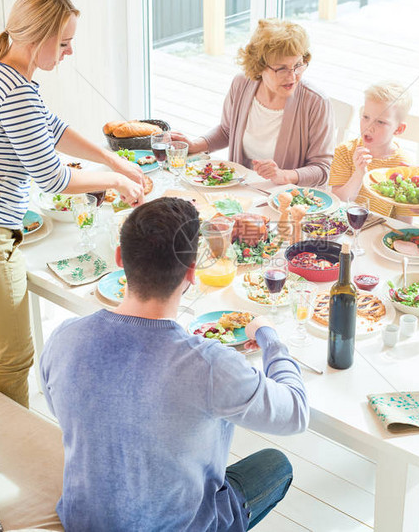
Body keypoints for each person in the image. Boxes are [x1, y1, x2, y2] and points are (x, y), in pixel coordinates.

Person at [0, 0, 145, 408]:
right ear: (39, 37)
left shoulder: (1, 72)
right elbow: (52, 178)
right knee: (13, 359)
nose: (68, 52)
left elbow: (54, 129)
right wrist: (115, 181)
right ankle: (12, 459)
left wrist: (113, 161)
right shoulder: (16, 91)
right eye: (63, 43)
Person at [40, 197, 309, 531]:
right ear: (192, 273)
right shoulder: (211, 365)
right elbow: (296, 412)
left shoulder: (64, 336)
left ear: (120, 258)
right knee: (275, 465)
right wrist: (270, 337)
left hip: (84, 521)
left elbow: (59, 406)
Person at [173, 19, 335, 187]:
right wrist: (194, 145)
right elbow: (227, 131)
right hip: (240, 189)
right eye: (281, 69)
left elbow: (322, 168)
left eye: (298, 65)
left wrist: (285, 175)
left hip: (288, 200)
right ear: (259, 66)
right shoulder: (242, 84)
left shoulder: (316, 102)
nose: (292, 76)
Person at [329, 80, 413, 216]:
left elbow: (404, 221)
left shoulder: (403, 165)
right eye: (366, 117)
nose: (369, 126)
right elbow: (338, 203)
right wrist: (359, 174)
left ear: (398, 129)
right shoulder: (345, 151)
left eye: (380, 122)